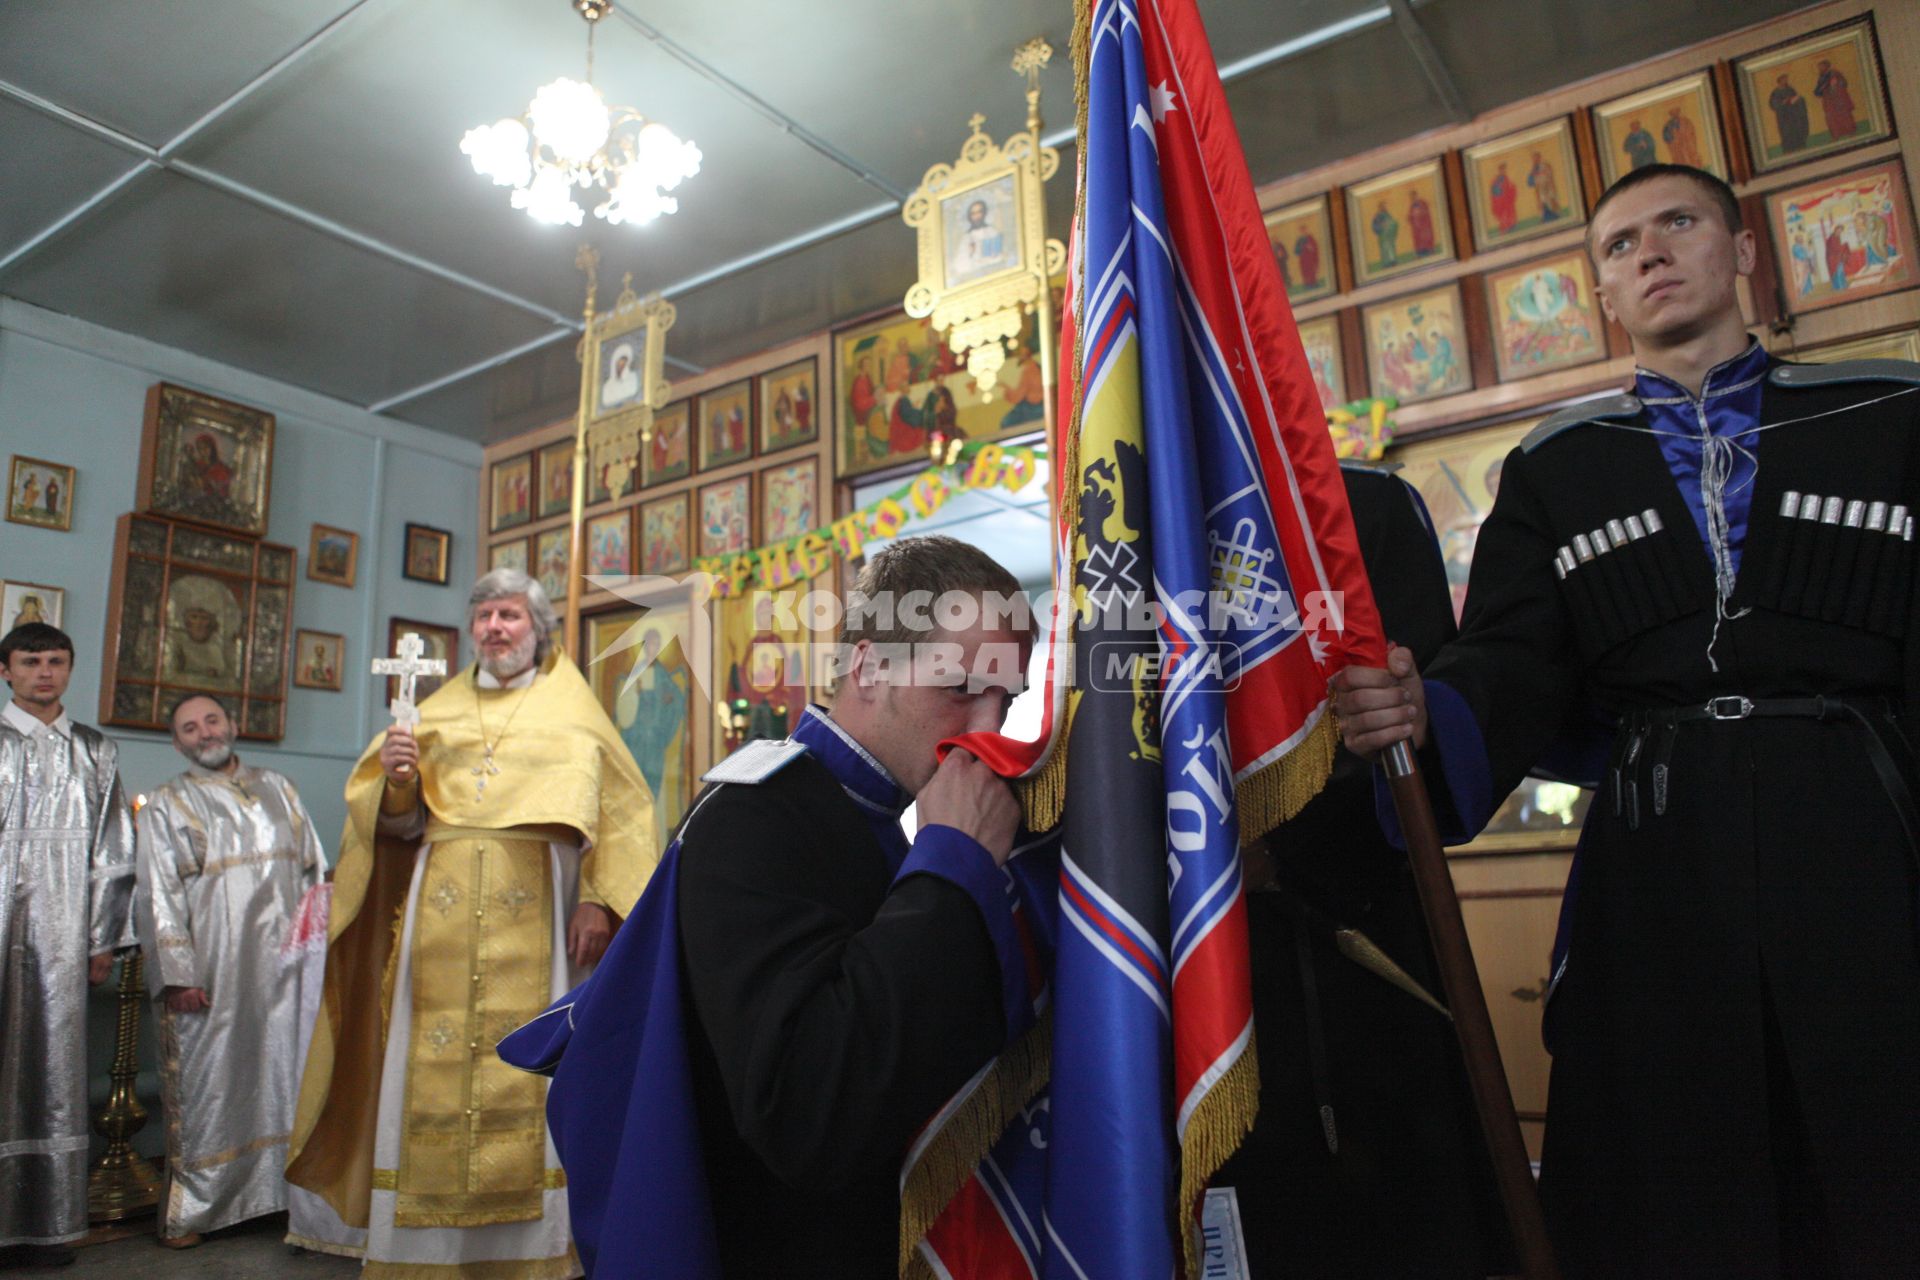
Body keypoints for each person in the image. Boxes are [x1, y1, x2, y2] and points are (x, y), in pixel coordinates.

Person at [1330, 163, 1920, 1278]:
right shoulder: (1556, 466)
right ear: (1601, 291)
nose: (1648, 253)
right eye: (1617, 244)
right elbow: (1510, 656)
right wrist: (1426, 708)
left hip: (1867, 833)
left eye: (1678, 224)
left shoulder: (1889, 408)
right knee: (1678, 1167)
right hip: (1661, 855)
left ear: (1743, 252)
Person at [500, 535, 1040, 1279]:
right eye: (959, 689)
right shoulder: (755, 816)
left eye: (1006, 699)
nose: (990, 728)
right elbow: (810, 1111)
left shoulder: (868, 815)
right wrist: (951, 869)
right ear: (869, 667)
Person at [286, 570, 657, 1279]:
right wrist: (396, 782)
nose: (494, 627)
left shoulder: (574, 711)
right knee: (422, 1062)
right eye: (484, 614)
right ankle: (425, 1257)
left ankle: (532, 1256)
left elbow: (622, 813)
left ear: (537, 626)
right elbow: (396, 829)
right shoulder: (436, 712)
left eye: (510, 614)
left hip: (543, 917)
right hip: (438, 919)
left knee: (534, 1069)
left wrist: (599, 900)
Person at [1212, 462, 1507, 1278]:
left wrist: (1287, 843)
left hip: (1363, 917)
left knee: (1407, 1202)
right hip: (1207, 943)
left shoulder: (1362, 507)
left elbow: (1417, 713)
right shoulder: (1133, 534)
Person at [135, 695, 327, 1249]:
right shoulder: (170, 803)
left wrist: (320, 956)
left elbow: (314, 871)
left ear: (233, 726)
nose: (204, 733)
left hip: (287, 968)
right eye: (189, 728)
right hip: (212, 971)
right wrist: (177, 972)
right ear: (177, 744)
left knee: (287, 1076)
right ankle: (198, 1209)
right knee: (212, 1083)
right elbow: (158, 893)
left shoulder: (279, 786)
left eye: (212, 721)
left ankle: (285, 1198)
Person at [0, 623, 136, 1267]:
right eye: (31, 662)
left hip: (62, 931)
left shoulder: (94, 750)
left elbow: (112, 851)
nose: (44, 673)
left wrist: (102, 938)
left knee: (54, 1070)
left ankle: (47, 1227)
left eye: (56, 661)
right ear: (7, 671)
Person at [1813, 58, 1856, 141]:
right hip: (1829, 101)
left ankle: (1850, 132)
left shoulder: (1835, 73)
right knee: (1831, 118)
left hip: (1839, 99)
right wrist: (1822, 89)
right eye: (1819, 67)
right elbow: (1817, 91)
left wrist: (1836, 83)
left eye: (1821, 67)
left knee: (1844, 115)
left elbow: (1843, 83)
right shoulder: (1821, 78)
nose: (1820, 69)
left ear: (1826, 66)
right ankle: (1836, 135)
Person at [1769, 74, 1810, 153]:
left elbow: (1795, 98)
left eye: (1786, 79)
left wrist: (1797, 99)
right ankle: (1788, 149)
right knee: (1787, 132)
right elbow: (1773, 104)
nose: (1786, 81)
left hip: (1793, 114)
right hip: (1784, 116)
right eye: (1784, 80)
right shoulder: (1775, 92)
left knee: (1797, 129)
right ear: (1779, 81)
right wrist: (1783, 102)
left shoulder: (1790, 89)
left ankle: (1799, 146)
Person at [1490, 161, 1519, 232]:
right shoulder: (1496, 179)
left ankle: (1511, 225)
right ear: (1499, 170)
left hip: (1507, 200)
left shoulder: (1507, 178)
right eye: (1502, 169)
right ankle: (1504, 227)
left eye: (1505, 169)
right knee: (1503, 214)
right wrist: (1501, 192)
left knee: (1510, 213)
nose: (1504, 171)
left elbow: (1511, 187)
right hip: (1500, 201)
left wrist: (1512, 189)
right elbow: (1495, 190)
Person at [1371, 200, 1399, 267]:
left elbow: (1392, 222)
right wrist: (1382, 226)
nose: (1385, 207)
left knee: (1391, 248)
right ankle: (1386, 263)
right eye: (1383, 206)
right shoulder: (1377, 215)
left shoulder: (1388, 214)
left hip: (1389, 236)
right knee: (1385, 249)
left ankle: (1393, 261)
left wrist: (1394, 224)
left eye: (1385, 206)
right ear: (1380, 207)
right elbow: (1375, 225)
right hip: (1383, 236)